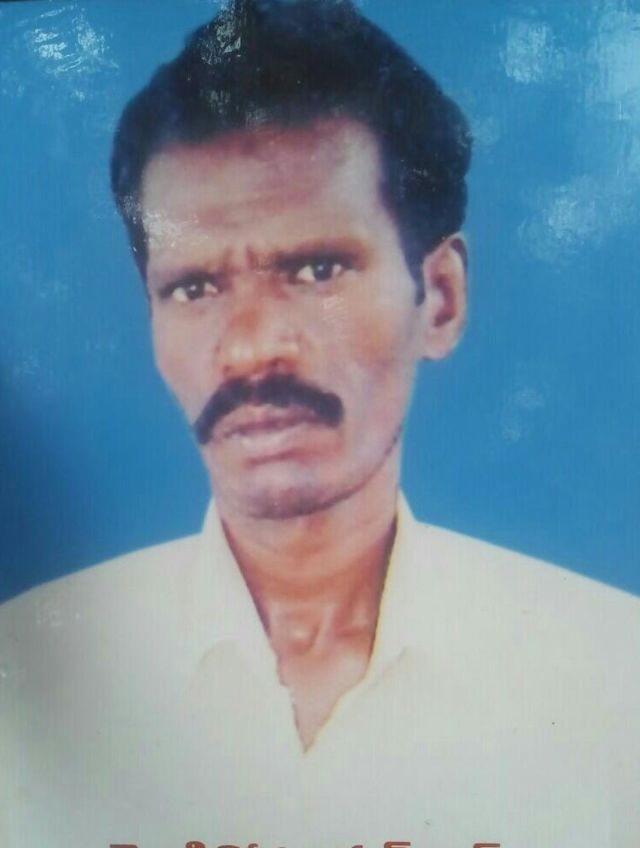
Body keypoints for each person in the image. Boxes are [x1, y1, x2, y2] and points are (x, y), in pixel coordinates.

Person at [1, 1, 638, 846]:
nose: (251, 348)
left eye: (316, 269)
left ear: (441, 298)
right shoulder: (18, 686)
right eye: (195, 287)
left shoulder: (612, 682)